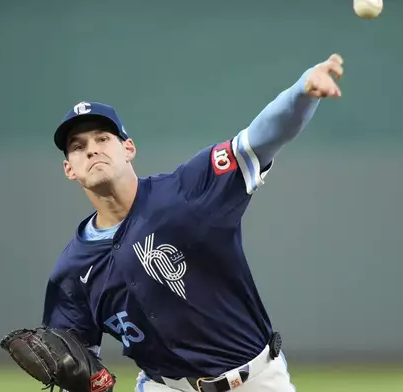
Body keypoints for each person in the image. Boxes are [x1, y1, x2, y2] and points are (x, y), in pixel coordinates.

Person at [42, 53, 343, 392]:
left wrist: (302, 92)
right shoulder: (71, 271)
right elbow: (76, 366)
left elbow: (261, 138)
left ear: (128, 148)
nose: (92, 150)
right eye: (78, 147)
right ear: (70, 169)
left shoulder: (188, 190)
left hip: (254, 379)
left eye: (102, 138)